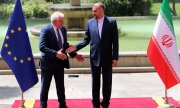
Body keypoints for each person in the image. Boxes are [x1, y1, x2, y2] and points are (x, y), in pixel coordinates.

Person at [66, 2, 119, 108]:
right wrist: (75, 47)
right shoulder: (90, 23)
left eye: (95, 10)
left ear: (101, 10)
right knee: (95, 83)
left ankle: (105, 103)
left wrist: (115, 57)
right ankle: (95, 104)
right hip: (94, 57)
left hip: (108, 57)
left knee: (107, 82)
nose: (93, 12)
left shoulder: (112, 22)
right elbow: (86, 40)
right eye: (92, 10)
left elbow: (115, 41)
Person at [39, 11, 84, 108]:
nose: (63, 23)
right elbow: (42, 47)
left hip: (60, 63)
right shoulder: (45, 30)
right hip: (48, 64)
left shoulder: (63, 29)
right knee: (45, 87)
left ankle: (62, 105)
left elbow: (65, 45)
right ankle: (43, 106)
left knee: (60, 86)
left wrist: (75, 55)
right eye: (61, 21)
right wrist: (56, 53)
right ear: (55, 21)